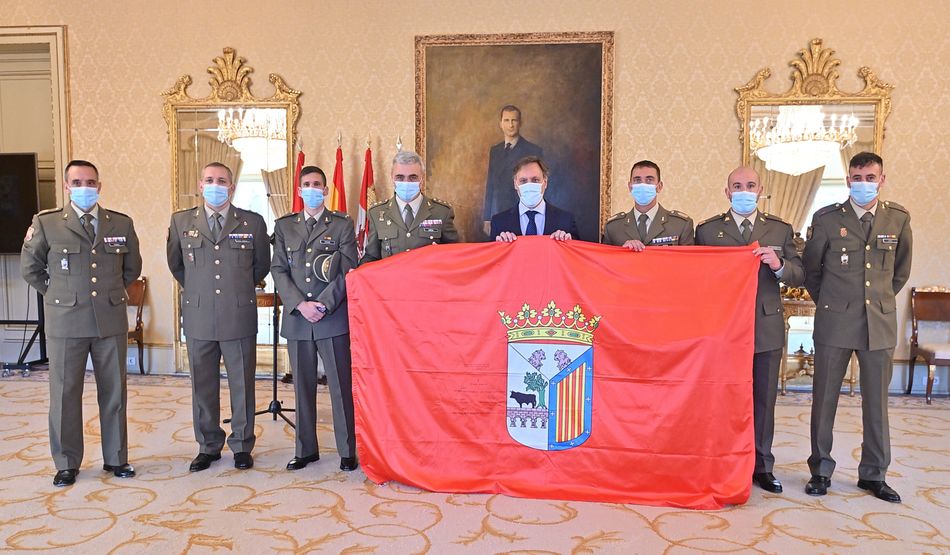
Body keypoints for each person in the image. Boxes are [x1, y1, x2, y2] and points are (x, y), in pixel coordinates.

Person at [21, 160, 142, 487]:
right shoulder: (47, 224)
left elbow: (131, 269)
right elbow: (30, 269)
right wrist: (59, 293)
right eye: (77, 182)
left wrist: (111, 294)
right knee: (64, 394)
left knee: (114, 392)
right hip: (66, 322)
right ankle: (66, 462)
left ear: (99, 186)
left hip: (109, 319)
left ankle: (116, 458)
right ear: (66, 186)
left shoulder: (120, 223)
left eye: (90, 182)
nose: (84, 188)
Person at [802, 152, 912, 503]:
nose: (863, 183)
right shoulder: (828, 219)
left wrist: (876, 301)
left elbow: (900, 272)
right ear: (848, 180)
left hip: (877, 323)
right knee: (825, 400)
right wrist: (832, 301)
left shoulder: (897, 218)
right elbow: (812, 271)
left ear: (882, 179)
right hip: (835, 320)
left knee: (877, 403)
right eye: (857, 177)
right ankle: (820, 470)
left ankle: (874, 474)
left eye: (871, 177)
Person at [695, 166, 804, 494]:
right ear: (727, 192)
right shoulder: (707, 231)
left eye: (750, 185)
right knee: (721, 398)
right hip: (722, 329)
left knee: (763, 399)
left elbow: (800, 274)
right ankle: (722, 459)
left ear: (761, 190)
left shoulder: (780, 230)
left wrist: (779, 265)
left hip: (765, 326)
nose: (744, 191)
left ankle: (762, 465)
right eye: (737, 186)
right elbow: (694, 276)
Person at [166, 162, 270, 472]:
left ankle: (241, 444)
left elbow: (261, 265)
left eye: (222, 180)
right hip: (199, 315)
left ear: (232, 187)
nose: (215, 185)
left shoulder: (252, 222)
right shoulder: (181, 221)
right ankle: (208, 445)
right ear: (200, 185)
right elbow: (177, 265)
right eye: (209, 180)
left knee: (242, 384)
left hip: (238, 314)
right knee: (203, 385)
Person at [271, 166, 359, 472]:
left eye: (317, 185)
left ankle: (348, 450)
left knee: (340, 386)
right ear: (299, 190)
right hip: (298, 319)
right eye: (306, 184)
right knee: (302, 387)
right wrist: (299, 304)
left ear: (325, 190)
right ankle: (306, 449)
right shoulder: (284, 226)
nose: (312, 189)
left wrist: (321, 304)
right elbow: (279, 270)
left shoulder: (342, 224)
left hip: (331, 317)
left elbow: (349, 268)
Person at [360, 150, 459, 264]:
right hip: (391, 281)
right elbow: (372, 257)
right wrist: (357, 274)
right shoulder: (377, 213)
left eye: (413, 177)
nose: (406, 182)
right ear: (392, 177)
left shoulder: (442, 212)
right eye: (400, 177)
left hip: (427, 280)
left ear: (422, 178)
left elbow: (454, 256)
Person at [603, 160, 694, 249]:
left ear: (659, 187)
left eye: (649, 180)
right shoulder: (613, 227)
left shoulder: (680, 225)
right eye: (637, 180)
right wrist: (622, 252)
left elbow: (688, 262)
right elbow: (605, 262)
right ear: (630, 187)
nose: (643, 184)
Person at [483, 105, 544, 234]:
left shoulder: (533, 150)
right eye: (506, 120)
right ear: (500, 124)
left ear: (520, 123)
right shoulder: (495, 150)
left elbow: (541, 186)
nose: (510, 125)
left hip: (524, 214)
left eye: (514, 120)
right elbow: (490, 185)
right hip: (499, 213)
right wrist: (487, 217)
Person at [490, 156, 578, 242]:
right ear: (515, 184)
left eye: (535, 180)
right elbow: (493, 255)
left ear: (545, 182)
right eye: (523, 181)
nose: (529, 185)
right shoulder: (499, 222)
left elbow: (576, 254)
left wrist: (567, 242)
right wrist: (499, 246)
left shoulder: (566, 220)